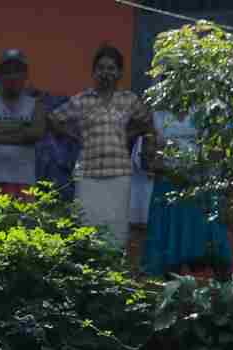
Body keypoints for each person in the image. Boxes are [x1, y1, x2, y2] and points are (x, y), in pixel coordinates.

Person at [50, 45, 160, 255]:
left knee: (115, 233)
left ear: (119, 73)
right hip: (87, 173)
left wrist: (129, 135)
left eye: (111, 68)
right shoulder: (82, 100)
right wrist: (75, 136)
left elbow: (147, 122)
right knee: (85, 230)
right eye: (101, 68)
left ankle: (112, 278)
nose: (106, 72)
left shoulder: (128, 100)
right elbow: (54, 119)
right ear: (93, 72)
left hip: (119, 174)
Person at [0, 49, 45, 195]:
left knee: (21, 218)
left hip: (24, 182)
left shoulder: (35, 104)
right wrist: (20, 129)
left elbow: (36, 133)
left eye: (17, 71)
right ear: (0, 76)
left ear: (25, 75)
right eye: (7, 72)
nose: (12, 76)